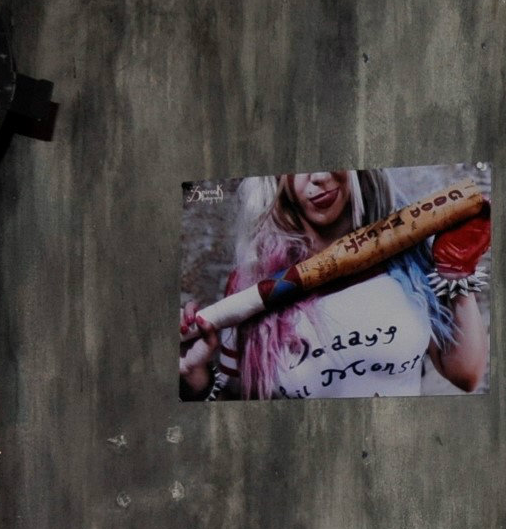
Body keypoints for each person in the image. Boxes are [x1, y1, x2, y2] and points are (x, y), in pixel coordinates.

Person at [180, 169, 490, 400]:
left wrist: (456, 270)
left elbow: (465, 375)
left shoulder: (405, 261)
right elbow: (237, 404)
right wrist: (196, 377)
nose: (319, 177)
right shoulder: (250, 281)